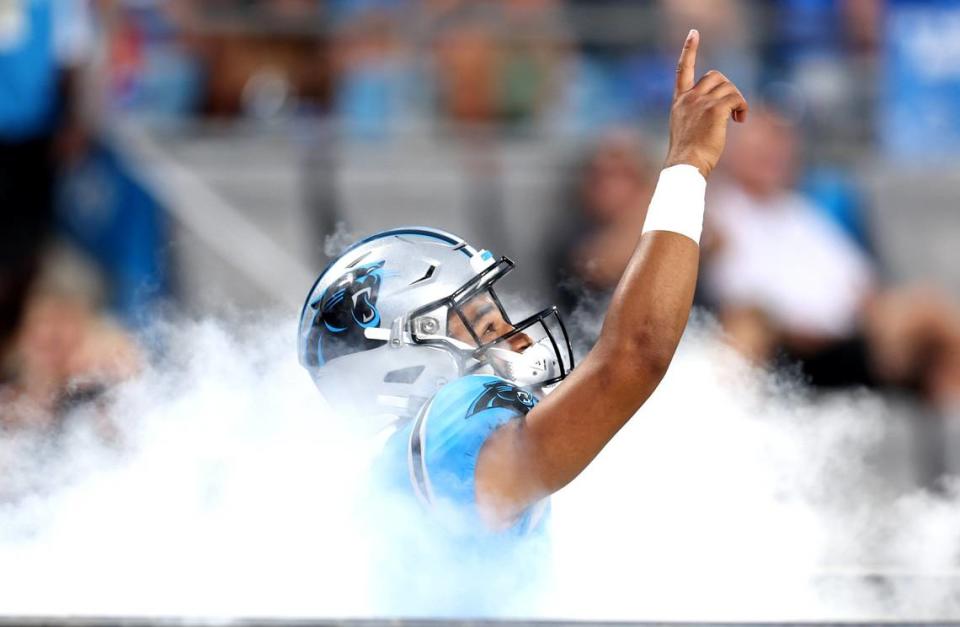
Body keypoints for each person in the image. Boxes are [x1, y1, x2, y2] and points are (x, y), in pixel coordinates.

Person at [298, 30, 748, 610]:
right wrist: (686, 166)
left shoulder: (398, 468)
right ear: (404, 356)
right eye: (480, 323)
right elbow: (636, 356)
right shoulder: (449, 431)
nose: (512, 335)